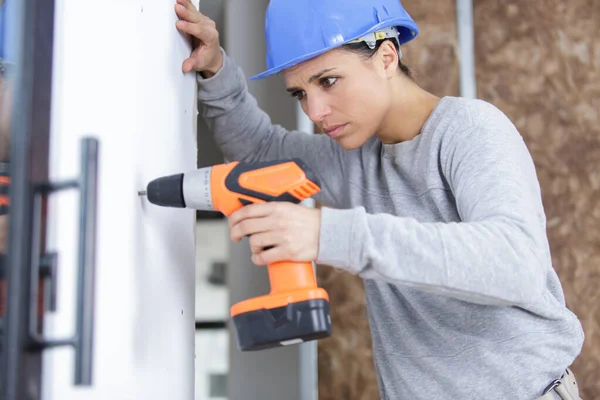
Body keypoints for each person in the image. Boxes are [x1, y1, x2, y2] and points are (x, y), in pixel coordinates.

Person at [174, 0, 584, 398]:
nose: (315, 109)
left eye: (328, 81)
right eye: (300, 93)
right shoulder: (356, 158)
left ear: (387, 57)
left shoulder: (469, 131)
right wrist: (215, 68)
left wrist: (329, 233)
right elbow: (260, 154)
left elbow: (515, 264)